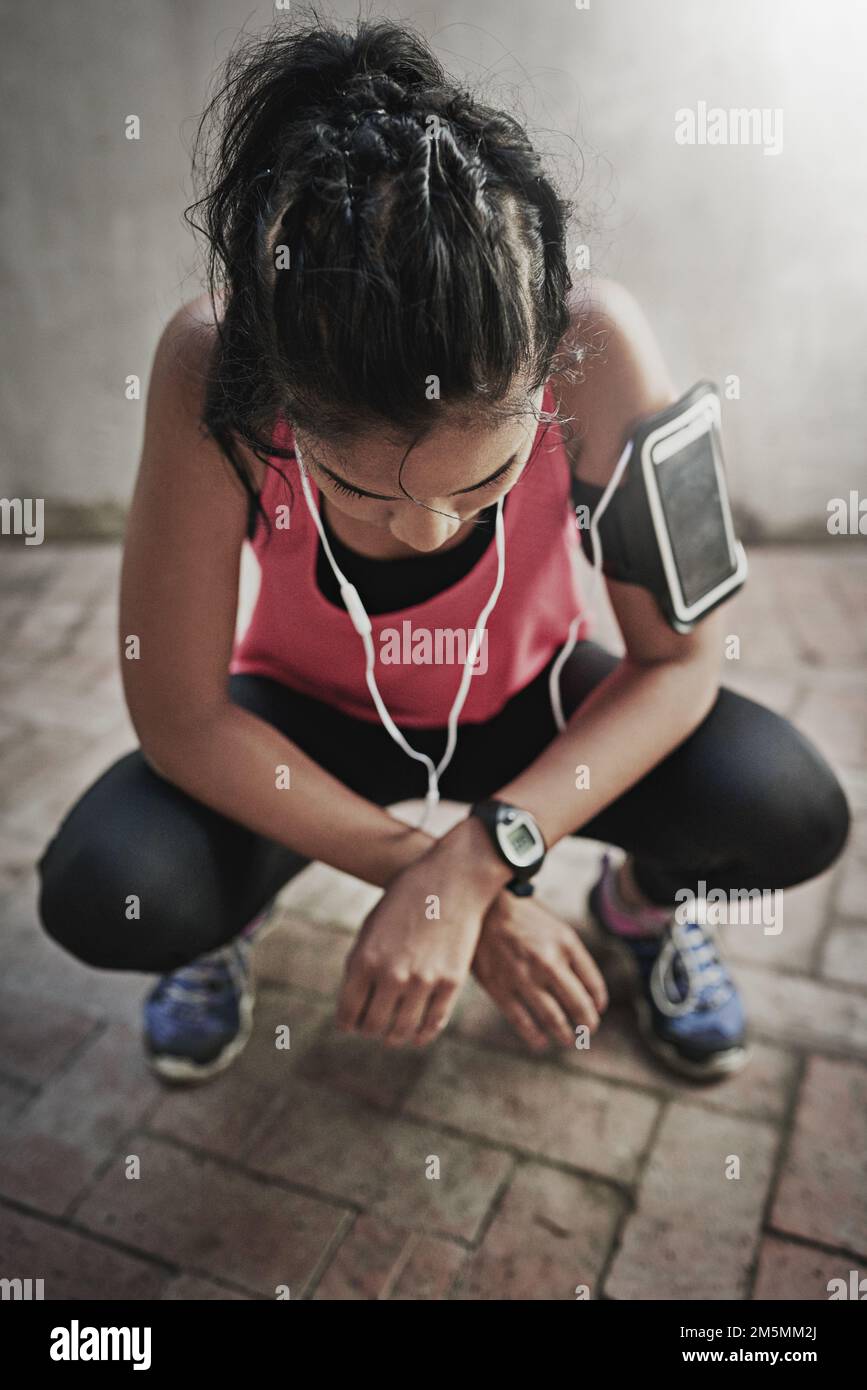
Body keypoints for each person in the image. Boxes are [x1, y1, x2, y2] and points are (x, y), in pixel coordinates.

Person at [37, 16, 849, 1087]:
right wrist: (426, 878)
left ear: (545, 375)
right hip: (312, 724)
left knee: (788, 808)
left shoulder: (602, 349)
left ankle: (638, 910)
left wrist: (485, 855)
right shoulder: (212, 366)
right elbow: (181, 714)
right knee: (111, 884)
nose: (425, 529)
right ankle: (220, 924)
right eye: (358, 494)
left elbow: (684, 659)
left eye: (482, 483)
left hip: (532, 700)